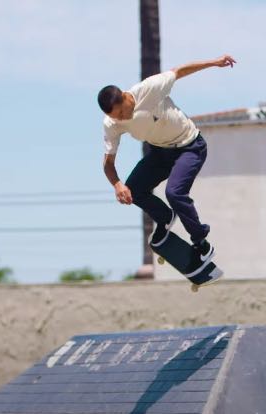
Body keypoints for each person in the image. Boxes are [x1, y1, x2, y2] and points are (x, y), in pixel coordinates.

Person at [98, 54, 236, 264]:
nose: (121, 119)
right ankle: (165, 217)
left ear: (125, 97)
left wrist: (214, 62)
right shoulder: (111, 123)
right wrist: (117, 185)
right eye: (115, 117)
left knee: (174, 192)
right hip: (161, 152)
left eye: (121, 113)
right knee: (134, 189)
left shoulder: (150, 88)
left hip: (190, 146)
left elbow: (179, 71)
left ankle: (201, 242)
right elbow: (108, 163)